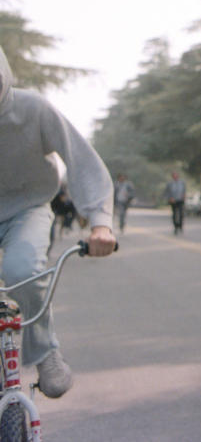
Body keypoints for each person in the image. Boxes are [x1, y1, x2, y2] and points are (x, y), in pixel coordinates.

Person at [0, 45, 117, 399]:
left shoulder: (32, 108)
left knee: (21, 270)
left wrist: (100, 222)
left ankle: (45, 352)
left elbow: (80, 159)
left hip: (28, 208)